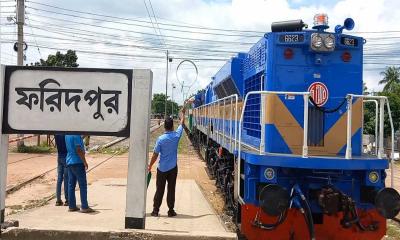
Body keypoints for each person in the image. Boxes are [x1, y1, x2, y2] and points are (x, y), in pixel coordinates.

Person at [148, 105, 188, 217]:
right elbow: (181, 123)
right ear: (172, 126)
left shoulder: (160, 139)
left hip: (161, 169)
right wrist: (183, 113)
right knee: (171, 189)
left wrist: (150, 165)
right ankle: (171, 210)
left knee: (159, 189)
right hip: (173, 168)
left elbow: (155, 155)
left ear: (164, 126)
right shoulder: (176, 136)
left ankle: (156, 210)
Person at [65, 135, 94, 213]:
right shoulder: (76, 135)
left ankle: (72, 206)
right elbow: (78, 150)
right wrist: (84, 162)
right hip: (78, 162)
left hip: (69, 161)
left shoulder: (67, 135)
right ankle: (84, 206)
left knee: (71, 185)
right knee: (82, 185)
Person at [55, 134, 68, 206]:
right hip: (66, 157)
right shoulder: (66, 134)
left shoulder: (56, 133)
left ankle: (58, 200)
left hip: (59, 156)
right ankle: (67, 200)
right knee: (66, 179)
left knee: (59, 179)